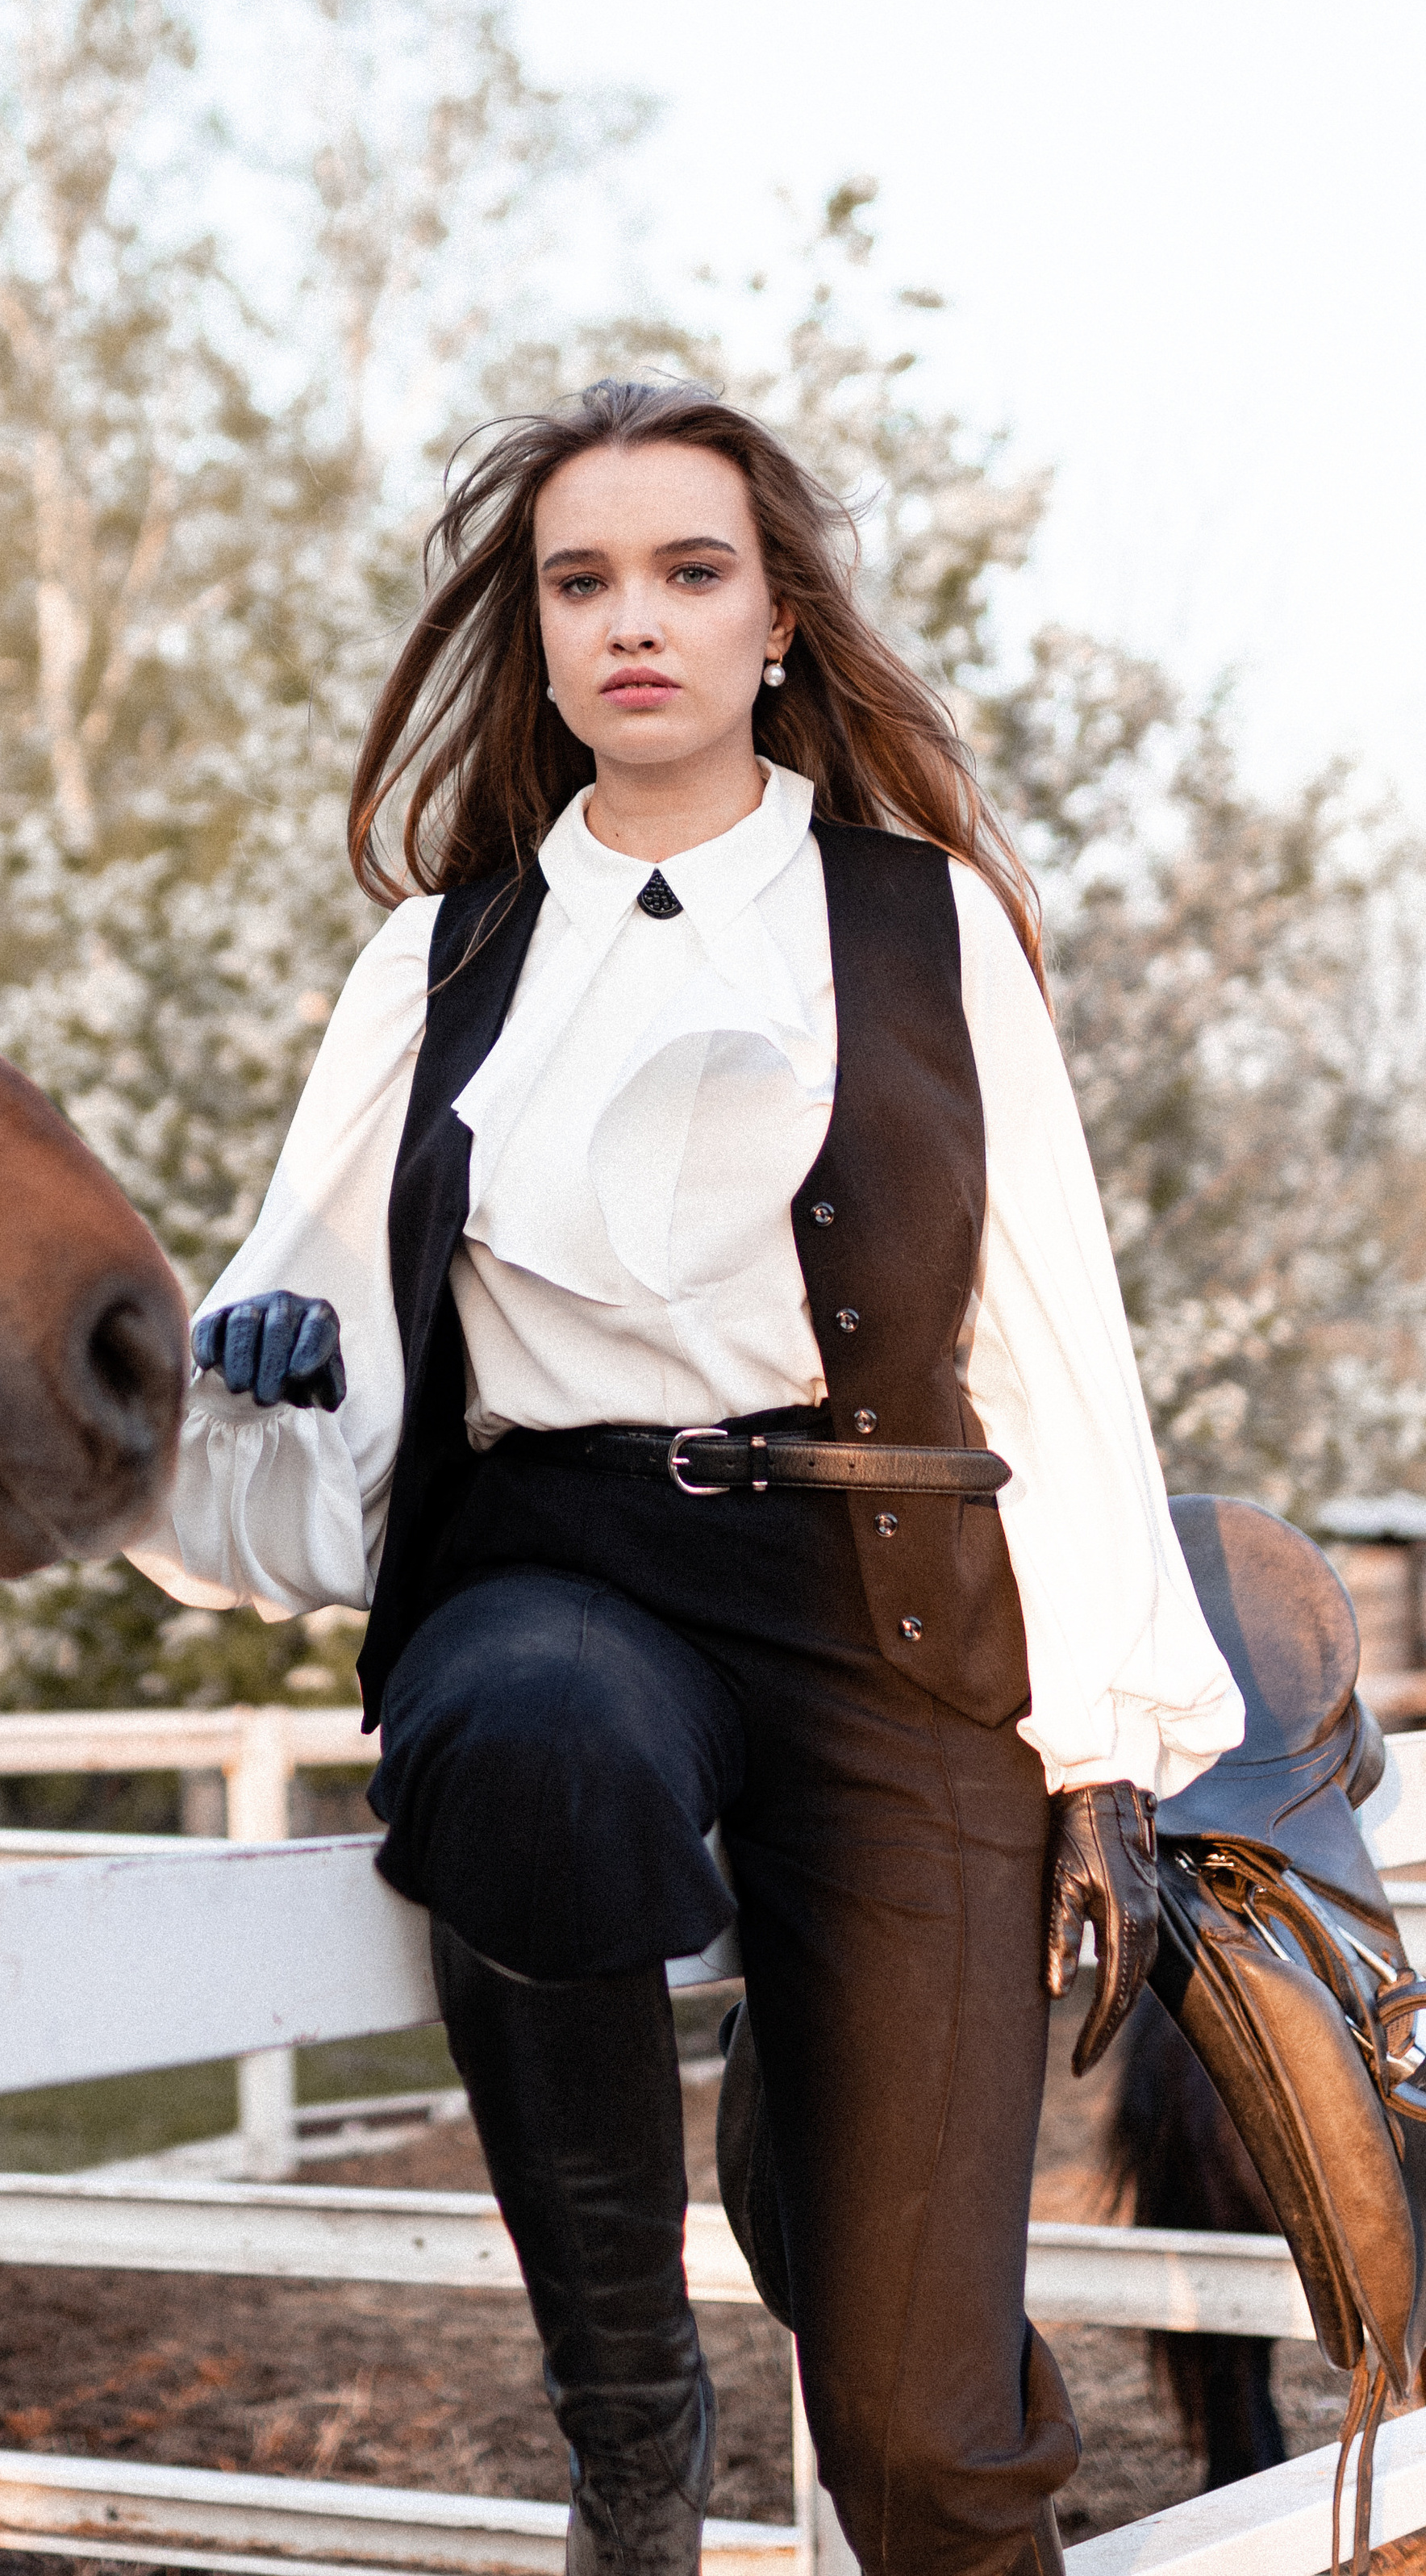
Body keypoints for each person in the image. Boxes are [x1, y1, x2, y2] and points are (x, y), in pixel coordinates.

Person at [129, 380, 1244, 2576]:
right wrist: (251, 1374)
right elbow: (320, 1310)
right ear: (536, 638)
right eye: (583, 581)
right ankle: (631, 2411)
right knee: (533, 1745)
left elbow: (1054, 1338)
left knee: (929, 2434)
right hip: (552, 1569)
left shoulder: (931, 927)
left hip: (896, 1597)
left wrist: (1108, 1743)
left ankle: (804, 2176)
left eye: (688, 571)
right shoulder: (437, 962)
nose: (633, 619)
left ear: (778, 624)